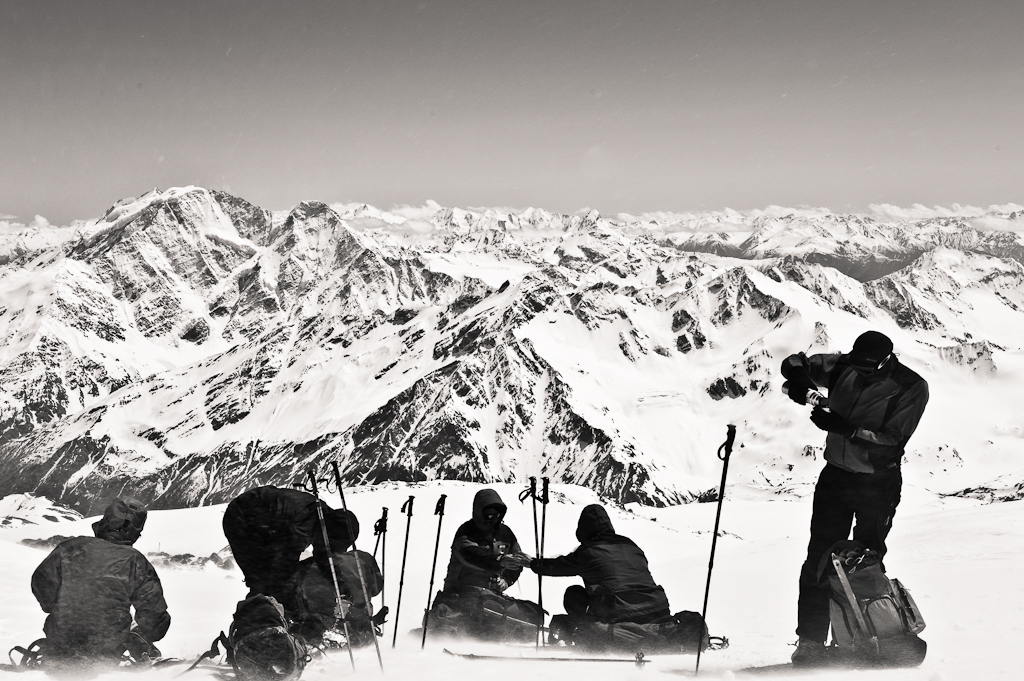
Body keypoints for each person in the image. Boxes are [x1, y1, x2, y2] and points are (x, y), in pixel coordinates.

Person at [780, 330, 928, 665]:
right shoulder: (844, 365)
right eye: (857, 365)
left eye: (868, 368)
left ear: (885, 361)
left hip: (878, 482)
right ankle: (811, 643)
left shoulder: (910, 386)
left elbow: (893, 441)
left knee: (866, 561)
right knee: (819, 559)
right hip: (836, 476)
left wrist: (845, 428)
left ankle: (870, 640)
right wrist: (802, 382)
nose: (860, 372)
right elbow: (792, 363)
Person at [30, 497, 171, 668]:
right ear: (136, 530)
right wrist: (140, 636)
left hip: (61, 639)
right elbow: (155, 617)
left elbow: (42, 581)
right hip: (108, 648)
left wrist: (60, 609)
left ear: (106, 519)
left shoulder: (70, 548)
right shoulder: (136, 562)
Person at [222, 486, 358, 614]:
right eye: (335, 546)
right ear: (333, 535)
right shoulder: (304, 523)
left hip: (264, 521)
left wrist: (340, 585)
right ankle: (255, 625)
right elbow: (285, 563)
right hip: (242, 519)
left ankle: (270, 617)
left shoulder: (323, 518)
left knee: (274, 581)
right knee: (262, 580)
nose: (332, 550)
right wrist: (294, 602)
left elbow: (323, 556)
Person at [530, 504, 670, 627]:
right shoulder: (631, 545)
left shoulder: (588, 552)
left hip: (620, 613)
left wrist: (531, 563)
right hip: (658, 610)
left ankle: (589, 634)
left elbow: (557, 566)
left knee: (574, 594)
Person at [428, 489, 537, 641]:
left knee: (532, 614)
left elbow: (516, 561)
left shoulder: (505, 533)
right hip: (460, 594)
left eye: (498, 514)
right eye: (489, 514)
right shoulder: (465, 532)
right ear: (479, 513)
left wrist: (505, 580)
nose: (494, 518)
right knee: (480, 611)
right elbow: (472, 556)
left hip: (493, 596)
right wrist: (499, 560)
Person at [291, 546, 384, 648]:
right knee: (345, 622)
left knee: (311, 613)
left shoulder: (339, 558)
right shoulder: (360, 583)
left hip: (302, 580)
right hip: (320, 592)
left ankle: (303, 635)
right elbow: (362, 606)